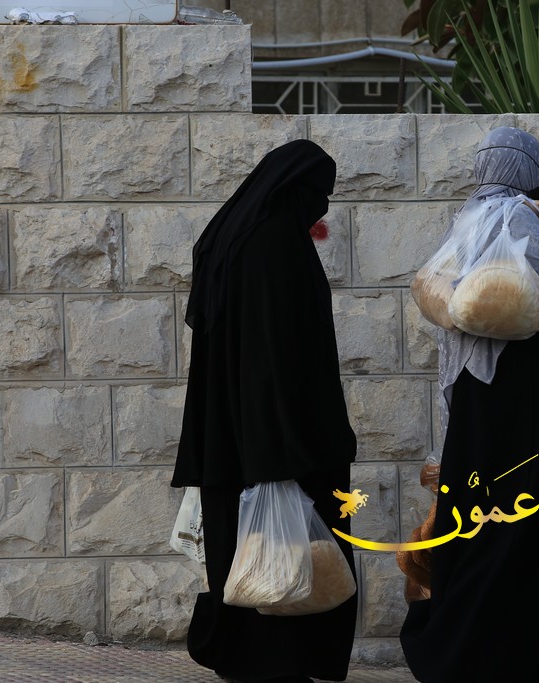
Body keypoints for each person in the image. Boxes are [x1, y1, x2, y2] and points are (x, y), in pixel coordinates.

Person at [400, 127, 539, 682]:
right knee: (521, 525)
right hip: (524, 405)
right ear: (527, 168)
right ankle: (518, 656)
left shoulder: (466, 221)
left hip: (475, 400)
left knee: (473, 518)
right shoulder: (525, 221)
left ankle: (457, 647)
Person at [171, 139, 358, 683]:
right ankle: (286, 660)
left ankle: (244, 657)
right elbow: (276, 355)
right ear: (294, 190)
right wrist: (285, 450)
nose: (320, 207)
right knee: (298, 546)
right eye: (318, 194)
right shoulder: (275, 245)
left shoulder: (230, 237)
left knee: (239, 541)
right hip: (284, 432)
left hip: (230, 431)